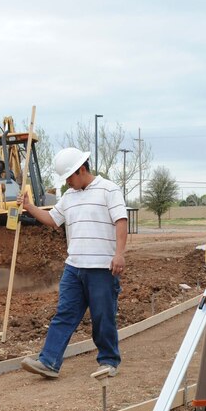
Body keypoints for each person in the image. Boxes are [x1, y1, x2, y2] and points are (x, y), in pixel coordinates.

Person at [19, 147, 127, 379]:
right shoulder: (69, 197)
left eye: (69, 177)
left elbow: (121, 221)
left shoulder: (109, 189)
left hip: (102, 268)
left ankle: (108, 360)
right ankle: (48, 361)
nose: (67, 182)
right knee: (64, 313)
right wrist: (29, 207)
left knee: (102, 315)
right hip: (74, 267)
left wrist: (119, 254)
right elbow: (52, 220)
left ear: (81, 169)